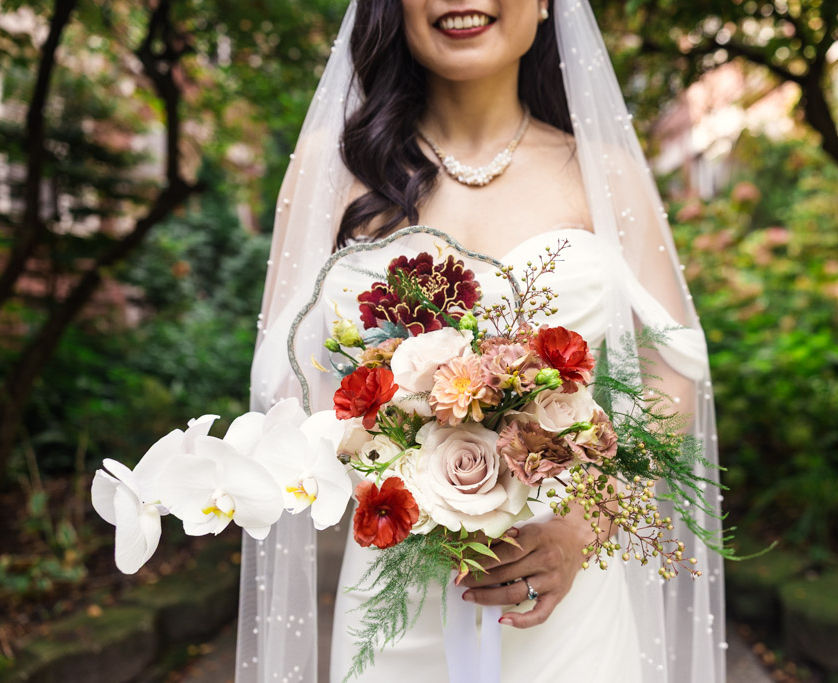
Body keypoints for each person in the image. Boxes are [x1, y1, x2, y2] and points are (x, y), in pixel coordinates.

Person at [238, 2, 726, 682]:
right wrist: (382, 472)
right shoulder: (332, 167)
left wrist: (585, 524)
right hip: (396, 588)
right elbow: (285, 371)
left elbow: (674, 364)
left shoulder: (603, 169)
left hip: (567, 597)